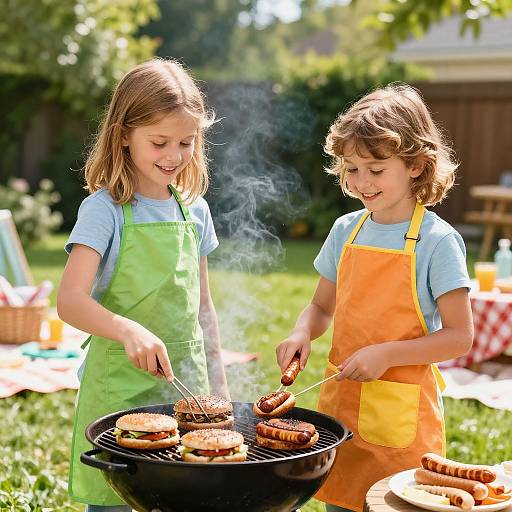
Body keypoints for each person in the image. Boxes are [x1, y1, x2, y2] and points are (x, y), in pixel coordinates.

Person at [276, 84, 474, 512]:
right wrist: (301, 332)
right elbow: (320, 307)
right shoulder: (346, 230)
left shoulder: (438, 242)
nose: (361, 182)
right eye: (351, 169)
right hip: (342, 410)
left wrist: (387, 354)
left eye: (376, 169)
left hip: (401, 421)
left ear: (417, 166)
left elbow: (459, 337)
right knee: (341, 502)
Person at [58, 58, 229, 511]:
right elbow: (70, 302)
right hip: (119, 390)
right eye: (159, 142)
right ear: (123, 135)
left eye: (186, 142)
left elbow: (204, 309)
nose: (174, 156)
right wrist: (128, 329)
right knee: (117, 501)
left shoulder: (195, 211)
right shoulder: (104, 210)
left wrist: (221, 393)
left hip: (185, 388)